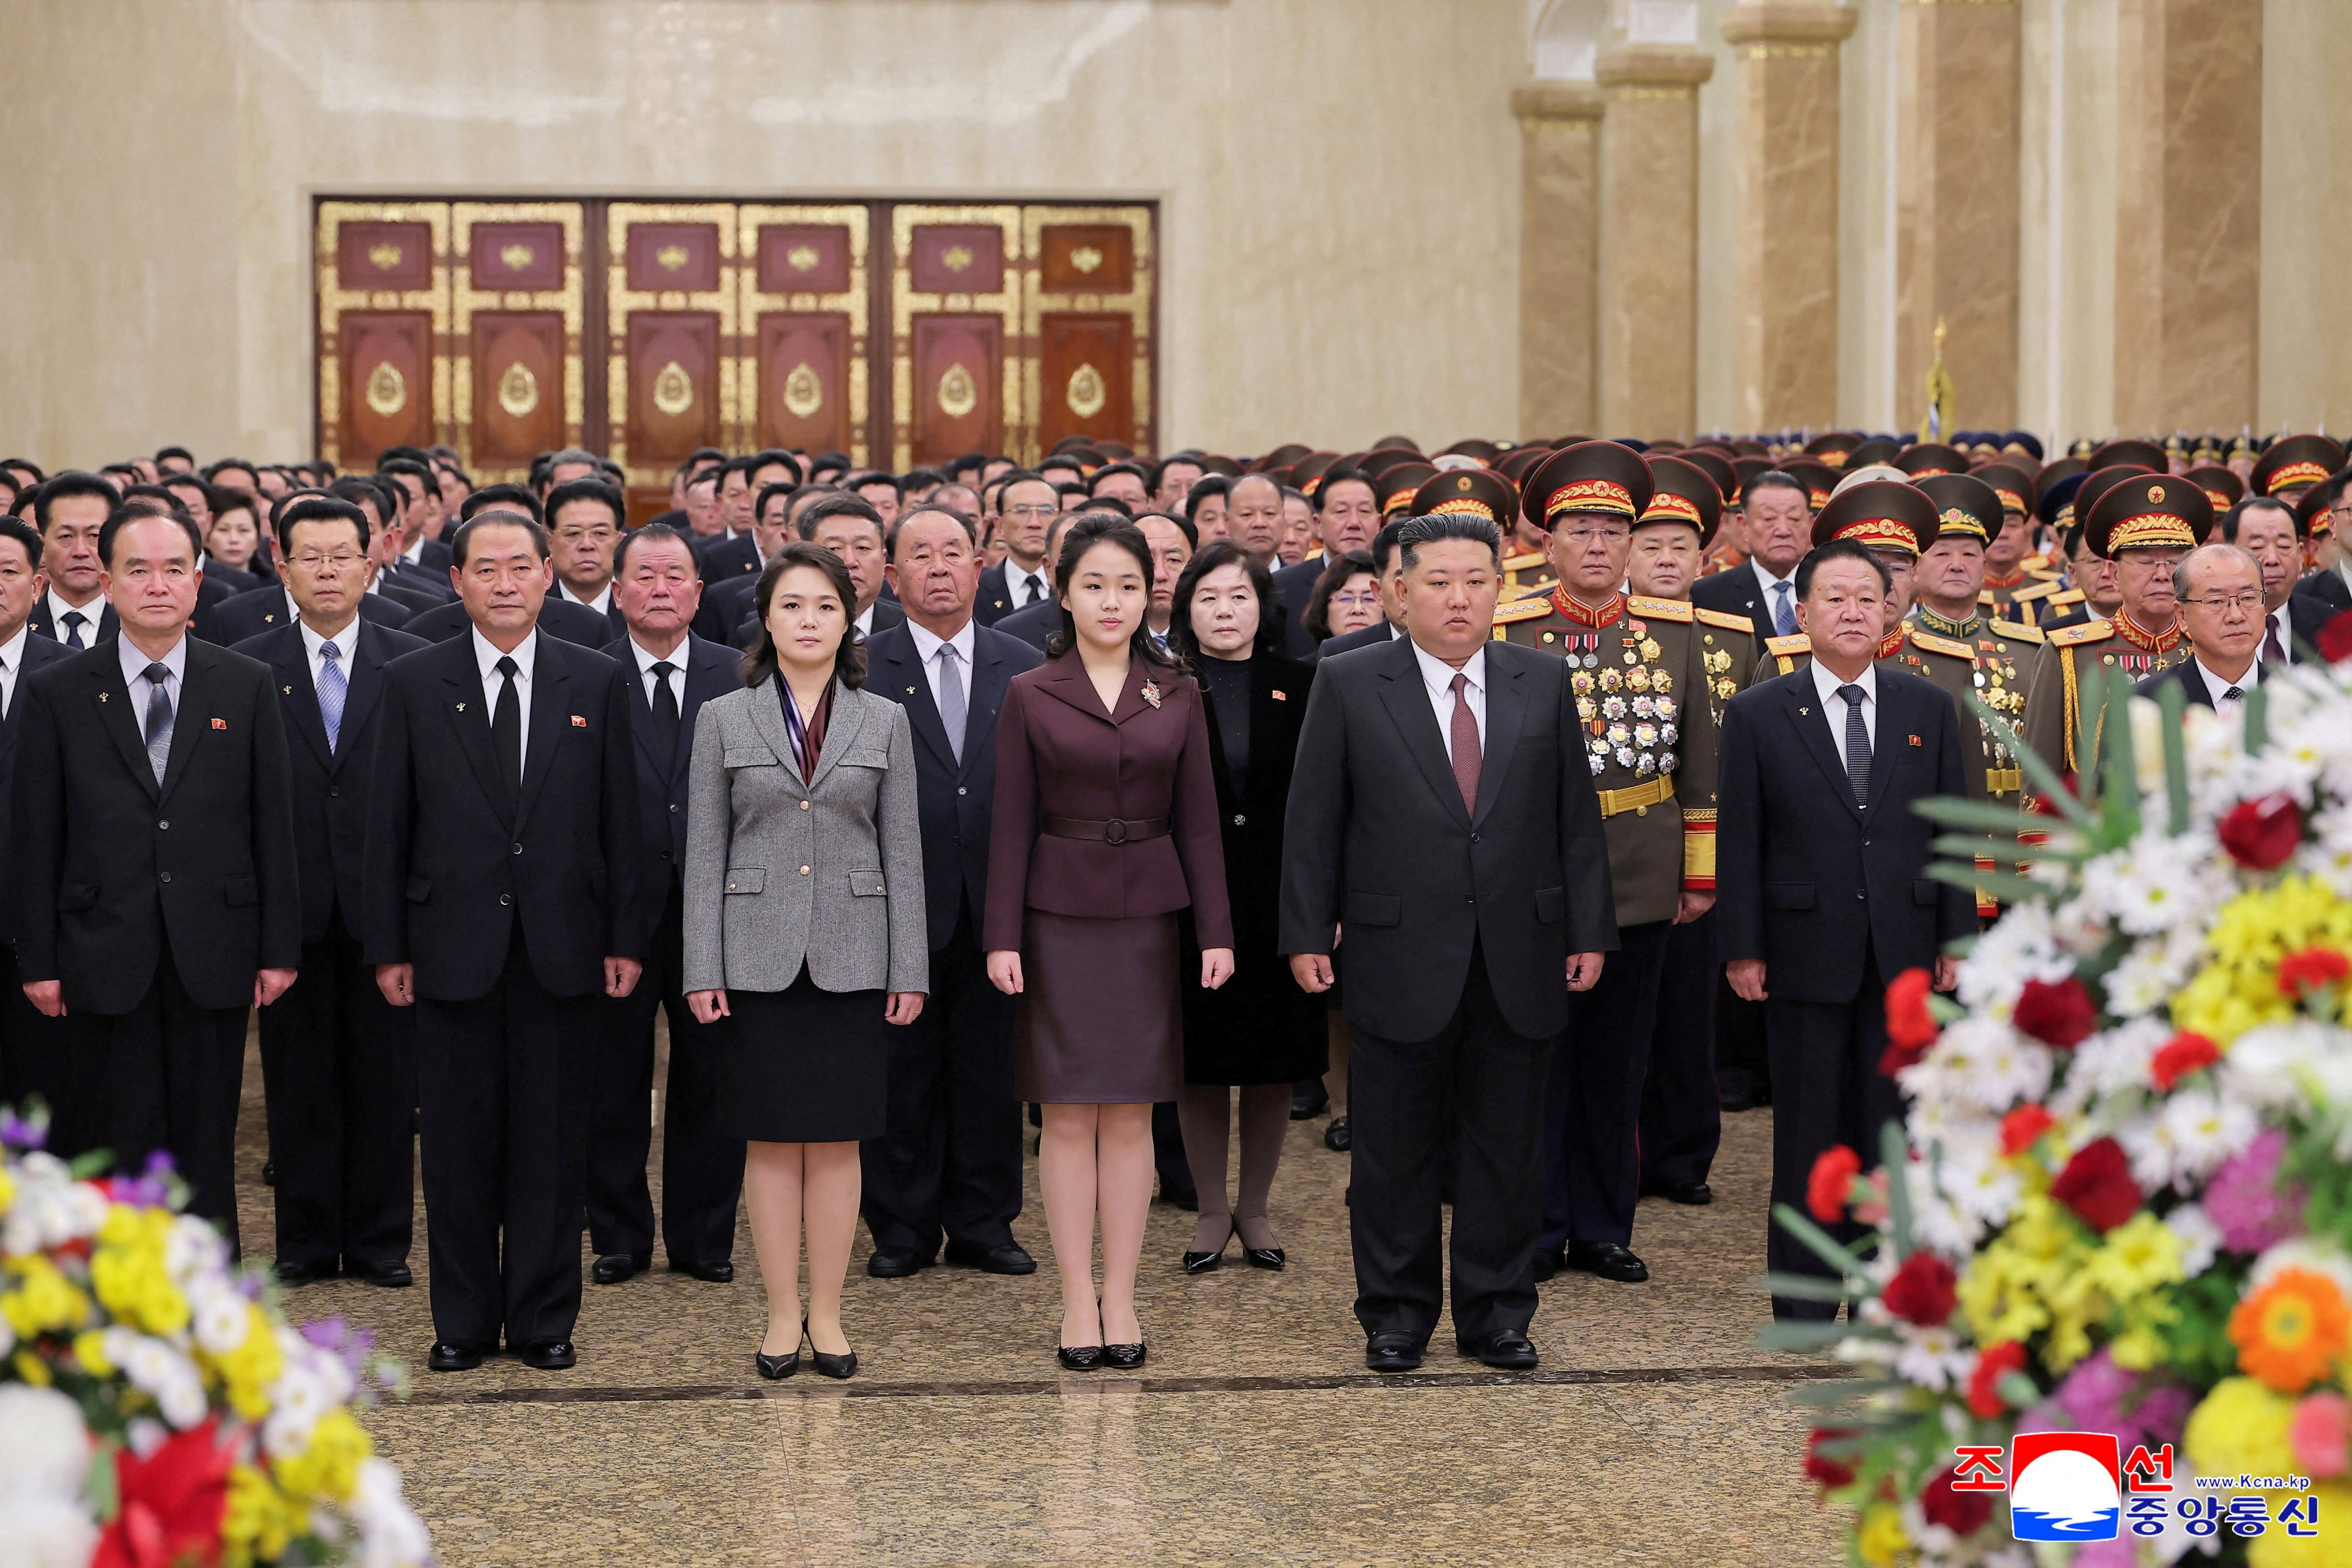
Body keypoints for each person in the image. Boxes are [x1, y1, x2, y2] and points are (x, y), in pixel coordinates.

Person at [1279, 512, 1615, 1373]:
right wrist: (1306, 930)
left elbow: (1574, 820)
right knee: (1392, 1149)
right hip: (1398, 951)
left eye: (1476, 579)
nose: (1458, 597)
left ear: (1500, 588)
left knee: (1507, 1146)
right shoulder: (1350, 681)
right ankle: (1394, 1315)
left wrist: (1588, 927)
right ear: (1398, 591)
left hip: (1521, 948)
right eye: (1437, 580)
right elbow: (1314, 821)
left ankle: (1496, 1311)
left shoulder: (1539, 679)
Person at [364, 508, 644, 1373]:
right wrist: (387, 945)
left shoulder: (594, 680)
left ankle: (542, 1318)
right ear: (456, 582)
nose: (504, 583)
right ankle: (461, 1322)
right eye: (484, 569)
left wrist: (625, 936)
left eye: (520, 567)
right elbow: (386, 826)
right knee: (455, 1146)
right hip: (448, 947)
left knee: (551, 1144)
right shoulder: (413, 680)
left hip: (562, 944)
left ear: (548, 575)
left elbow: (621, 823)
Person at [984, 516, 1234, 1370]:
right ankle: (1073, 1301)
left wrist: (1216, 930)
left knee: (1130, 1112)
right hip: (1054, 919)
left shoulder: (1178, 689)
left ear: (1148, 594)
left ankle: (1120, 1298)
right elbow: (1008, 823)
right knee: (1063, 1113)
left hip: (1146, 922)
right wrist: (1000, 935)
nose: (1112, 600)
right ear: (1063, 591)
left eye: (1128, 585)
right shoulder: (1030, 690)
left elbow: (1200, 823)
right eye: (1094, 584)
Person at [15, 505, 302, 1243]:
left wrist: (278, 948)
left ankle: (210, 1313)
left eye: (175, 569)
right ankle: (116, 1318)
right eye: (138, 570)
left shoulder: (246, 683)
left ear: (199, 582)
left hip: (215, 945)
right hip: (101, 948)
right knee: (113, 1143)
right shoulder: (58, 690)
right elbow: (36, 833)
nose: (157, 585)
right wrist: (38, 960)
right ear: (107, 583)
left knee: (206, 1146)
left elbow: (274, 825)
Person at [1499, 446, 1744, 1285]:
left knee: (1617, 1060)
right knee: (1538, 1061)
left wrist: (1698, 873)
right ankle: (1537, 1224)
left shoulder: (1673, 633)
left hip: (1642, 868)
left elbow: (1700, 767)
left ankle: (1602, 1224)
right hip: (1535, 873)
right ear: (1547, 541)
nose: (1597, 546)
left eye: (1613, 532)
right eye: (1579, 531)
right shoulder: (1510, 629)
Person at [683, 543, 927, 1381]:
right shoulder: (723, 715)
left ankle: (826, 1312)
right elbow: (704, 851)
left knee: (835, 1143)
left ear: (848, 619)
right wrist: (699, 966)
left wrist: (909, 969)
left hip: (853, 954)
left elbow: (903, 854)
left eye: (825, 605)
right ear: (765, 618)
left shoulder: (883, 718)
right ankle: (779, 1313)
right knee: (769, 1142)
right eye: (792, 605)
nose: (809, 620)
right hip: (753, 954)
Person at [1715, 537, 1973, 1319]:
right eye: (1834, 597)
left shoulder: (1926, 704)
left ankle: (1882, 1291)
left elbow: (1948, 832)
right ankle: (1802, 1293)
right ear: (1802, 613)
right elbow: (1740, 839)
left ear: (1889, 609)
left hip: (1904, 949)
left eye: (1867, 595)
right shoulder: (1759, 711)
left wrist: (1953, 939)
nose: (1853, 610)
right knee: (1805, 1126)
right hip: (1802, 948)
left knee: (1890, 1125)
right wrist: (1743, 945)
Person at [230, 495, 428, 1287]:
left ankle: (381, 1241)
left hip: (386, 909)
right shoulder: (246, 664)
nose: (325, 570)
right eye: (308, 556)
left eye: (341, 554)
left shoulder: (411, 659)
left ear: (371, 558)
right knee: (298, 1082)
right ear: (281, 565)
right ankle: (306, 1242)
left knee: (387, 1086)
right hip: (291, 911)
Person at [859, 505, 1042, 1279]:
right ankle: (901, 1226)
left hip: (996, 903)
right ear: (894, 576)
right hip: (895, 903)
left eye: (954, 553)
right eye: (920, 556)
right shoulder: (862, 665)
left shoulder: (1023, 662)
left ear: (980, 565)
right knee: (899, 1072)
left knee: (990, 1070)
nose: (939, 567)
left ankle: (983, 1220)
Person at [587, 523, 744, 1287]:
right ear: (617, 592)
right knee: (611, 1078)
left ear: (696, 591)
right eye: (642, 576)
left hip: (714, 910)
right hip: (609, 913)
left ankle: (703, 1237)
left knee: (711, 1080)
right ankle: (618, 1234)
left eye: (672, 576)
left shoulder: (739, 674)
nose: (658, 588)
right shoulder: (583, 674)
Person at [1164, 539, 1319, 1273]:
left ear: (1264, 606)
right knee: (1200, 1058)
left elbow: (1326, 805)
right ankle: (1210, 1210)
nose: (1225, 611)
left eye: (1240, 597)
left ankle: (1254, 1208)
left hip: (1280, 897)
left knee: (1271, 1059)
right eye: (1209, 598)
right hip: (1189, 897)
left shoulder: (1303, 682)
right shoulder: (1160, 685)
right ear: (1185, 610)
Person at [2018, 474, 2208, 785]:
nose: (2162, 575)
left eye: (2175, 562)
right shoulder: (2068, 654)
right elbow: (2041, 783)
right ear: (2113, 573)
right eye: (2146, 562)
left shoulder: (2208, 646)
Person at [0, 519, 80, 1145]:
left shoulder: (75, 678)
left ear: (38, 583)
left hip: (41, 928)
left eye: (8, 572)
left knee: (42, 1108)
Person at [1693, 470, 1810, 669]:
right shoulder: (1707, 596)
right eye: (1769, 519)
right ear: (1744, 525)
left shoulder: (1831, 592)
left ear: (1810, 524)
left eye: (1794, 518)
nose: (1783, 530)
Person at [2135, 542, 2266, 710]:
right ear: (2182, 616)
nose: (2236, 616)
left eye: (2248, 598)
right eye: (2216, 601)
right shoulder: (2145, 706)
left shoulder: (2299, 698)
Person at [2221, 496, 2330, 663]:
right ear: (2229, 555)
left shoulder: (2331, 625)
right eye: (2257, 547)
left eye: (2284, 546)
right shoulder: (2207, 625)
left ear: (2301, 555)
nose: (2272, 559)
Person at [28, 472, 121, 647]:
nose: (80, 551)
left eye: (94, 535)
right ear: (42, 546)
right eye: (66, 536)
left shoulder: (138, 627)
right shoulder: (16, 626)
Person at [547, 476, 628, 637]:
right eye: (573, 534)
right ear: (550, 543)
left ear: (620, 542)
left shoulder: (640, 606)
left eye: (600, 533)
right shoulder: (531, 610)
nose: (586, 545)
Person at [976, 472, 1057, 624]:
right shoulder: (974, 591)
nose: (1034, 523)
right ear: (999, 525)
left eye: (1046, 511)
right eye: (1021, 511)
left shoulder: (1073, 591)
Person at [1302, 550, 1382, 645]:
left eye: (1369, 598)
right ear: (1324, 609)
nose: (1357, 609)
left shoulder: (1401, 660)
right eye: (1346, 598)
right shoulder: (1310, 660)